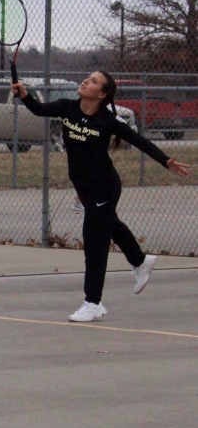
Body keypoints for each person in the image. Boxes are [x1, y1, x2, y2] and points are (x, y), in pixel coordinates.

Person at [11, 71, 190, 322]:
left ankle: (93, 302)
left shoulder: (108, 120)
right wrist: (25, 95)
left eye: (93, 81)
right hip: (84, 186)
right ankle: (140, 260)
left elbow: (138, 141)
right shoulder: (67, 108)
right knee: (110, 225)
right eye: (88, 78)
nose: (86, 81)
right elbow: (39, 109)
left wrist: (165, 161)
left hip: (104, 187)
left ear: (102, 94)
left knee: (94, 242)